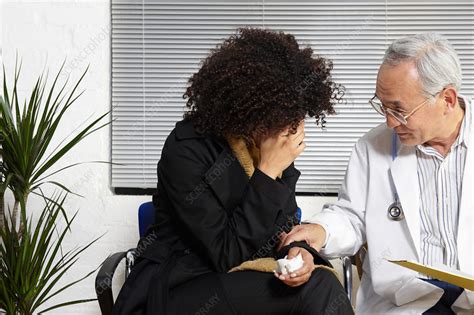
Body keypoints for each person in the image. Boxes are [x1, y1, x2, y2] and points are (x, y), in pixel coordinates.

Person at [112, 28, 353, 315]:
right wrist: (268, 170)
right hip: (179, 285)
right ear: (248, 105)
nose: (287, 128)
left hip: (241, 283)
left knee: (317, 280)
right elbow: (226, 254)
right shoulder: (186, 149)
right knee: (319, 290)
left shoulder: (267, 143)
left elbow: (283, 226)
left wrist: (298, 252)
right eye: (279, 115)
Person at [280, 32, 474, 314]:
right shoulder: (372, 148)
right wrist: (321, 230)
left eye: (399, 110)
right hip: (408, 301)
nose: (390, 122)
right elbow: (351, 216)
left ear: (447, 99)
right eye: (383, 106)